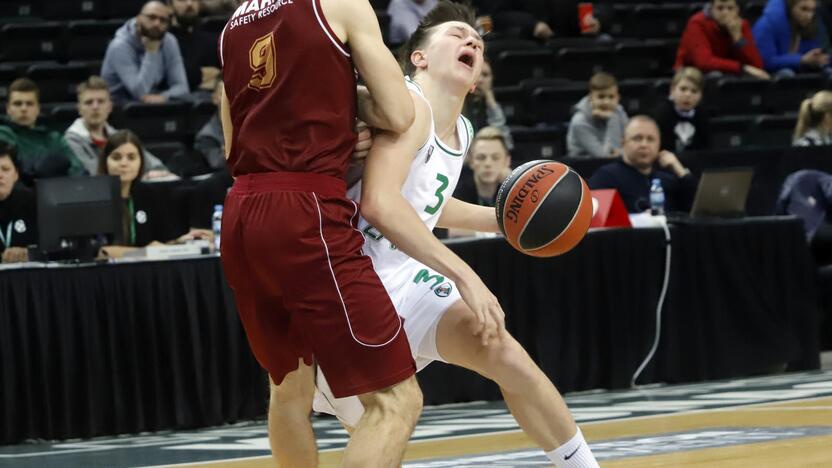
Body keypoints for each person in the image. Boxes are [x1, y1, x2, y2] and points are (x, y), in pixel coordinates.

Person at [313, 3, 600, 467]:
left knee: (504, 352)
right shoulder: (407, 107)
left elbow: (427, 199)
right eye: (457, 34)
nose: (472, 41)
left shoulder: (463, 128)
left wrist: (506, 221)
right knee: (381, 426)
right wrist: (466, 275)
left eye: (479, 40)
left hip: (404, 275)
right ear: (419, 58)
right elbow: (381, 204)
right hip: (352, 284)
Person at [217, 0, 422, 466]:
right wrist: (348, 106)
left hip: (244, 211)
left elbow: (233, 146)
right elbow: (398, 113)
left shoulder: (231, 26)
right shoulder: (342, 3)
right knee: (395, 400)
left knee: (289, 390)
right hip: (304, 209)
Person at [95, 131, 188, 258]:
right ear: (105, 161)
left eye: (131, 157)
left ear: (141, 162)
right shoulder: (94, 198)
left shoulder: (151, 194)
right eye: (116, 157)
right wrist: (144, 252)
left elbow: (165, 241)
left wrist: (184, 241)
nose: (124, 163)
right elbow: (101, 252)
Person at [65, 76, 172, 178]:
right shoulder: (71, 140)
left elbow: (156, 166)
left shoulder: (120, 137)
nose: (95, 107)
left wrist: (159, 173)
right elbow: (96, 176)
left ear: (110, 107)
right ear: (79, 109)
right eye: (89, 102)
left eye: (101, 101)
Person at [588, 116, 697, 213]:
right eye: (637, 138)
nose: (644, 145)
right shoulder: (606, 177)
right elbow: (596, 217)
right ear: (623, 143)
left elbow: (695, 212)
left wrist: (681, 172)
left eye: (651, 139)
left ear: (659, 144)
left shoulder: (668, 179)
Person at [101, 1, 190, 103]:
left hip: (151, 104)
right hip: (118, 107)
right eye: (152, 17)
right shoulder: (119, 46)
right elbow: (140, 93)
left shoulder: (169, 41)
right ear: (138, 19)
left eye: (163, 20)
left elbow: (182, 87)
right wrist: (151, 52)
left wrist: (164, 97)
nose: (157, 23)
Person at [0, 78, 86, 183]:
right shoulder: (3, 136)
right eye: (18, 104)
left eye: (29, 104)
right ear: (8, 109)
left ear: (38, 109)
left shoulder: (54, 138)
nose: (24, 109)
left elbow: (77, 168)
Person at [675, 0, 769, 79]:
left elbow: (757, 66)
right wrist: (742, 67)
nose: (725, 13)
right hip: (691, 74)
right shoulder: (697, 23)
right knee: (715, 76)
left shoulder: (742, 25)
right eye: (720, 8)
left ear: (737, 10)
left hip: (730, 72)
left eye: (730, 8)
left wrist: (738, 38)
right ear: (711, 9)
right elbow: (704, 62)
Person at [752, 0, 830, 75]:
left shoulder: (811, 25)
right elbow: (766, 61)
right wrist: (801, 60)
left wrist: (818, 59)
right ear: (790, 7)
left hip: (800, 73)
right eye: (804, 9)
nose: (809, 15)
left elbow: (813, 50)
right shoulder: (766, 25)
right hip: (770, 77)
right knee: (786, 73)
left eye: (812, 10)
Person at [567, 71, 629, 159]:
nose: (606, 102)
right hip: (586, 168)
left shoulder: (618, 110)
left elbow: (632, 143)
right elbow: (605, 157)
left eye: (611, 97)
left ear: (618, 97)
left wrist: (622, 152)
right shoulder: (579, 122)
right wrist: (612, 119)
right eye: (601, 96)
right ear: (591, 98)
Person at [651, 67, 711, 155]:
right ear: (672, 90)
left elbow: (706, 147)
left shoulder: (702, 114)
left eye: (694, 91)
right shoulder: (662, 113)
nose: (688, 95)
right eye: (683, 89)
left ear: (701, 96)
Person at [167, 0, 222, 93]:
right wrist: (200, 75)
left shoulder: (213, 39)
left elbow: (225, 75)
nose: (189, 3)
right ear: (169, 6)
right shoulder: (163, 39)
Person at [482, 0, 602, 41]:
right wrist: (532, 25)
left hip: (575, 39)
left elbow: (604, 6)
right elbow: (497, 14)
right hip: (528, 41)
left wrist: (597, 19)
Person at [463, 59, 514, 149]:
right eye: (477, 73)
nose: (480, 80)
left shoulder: (495, 106)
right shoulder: (457, 104)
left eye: (485, 75)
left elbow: (506, 145)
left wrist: (491, 101)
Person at [0, 142, 37, 264]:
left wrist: (29, 254)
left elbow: (49, 248)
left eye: (5, 169)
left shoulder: (32, 202)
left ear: (16, 174)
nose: (0, 175)